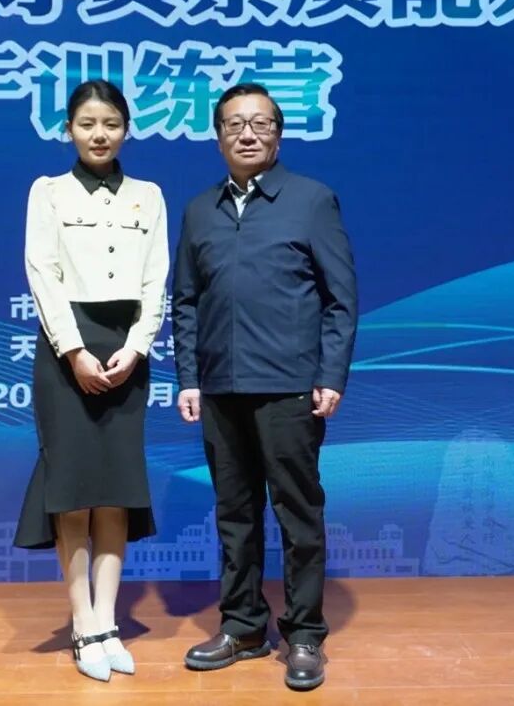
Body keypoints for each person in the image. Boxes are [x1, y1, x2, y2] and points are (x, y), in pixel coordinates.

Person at [172, 83, 357, 691]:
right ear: (218, 137)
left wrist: (330, 374)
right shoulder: (200, 210)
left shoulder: (311, 200)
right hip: (221, 387)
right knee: (234, 515)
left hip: (290, 387)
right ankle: (244, 626)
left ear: (278, 134)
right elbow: (186, 302)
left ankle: (304, 634)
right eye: (234, 124)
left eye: (260, 123)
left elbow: (340, 299)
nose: (247, 133)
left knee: (297, 514)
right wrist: (190, 378)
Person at [14, 79, 169, 682]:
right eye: (87, 124)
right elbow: (42, 272)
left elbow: (156, 280)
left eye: (110, 123)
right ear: (69, 131)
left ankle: (109, 620)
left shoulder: (148, 196)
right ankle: (82, 621)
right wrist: (74, 350)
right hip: (67, 350)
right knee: (74, 489)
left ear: (126, 129)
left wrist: (136, 348)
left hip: (127, 349)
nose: (99, 134)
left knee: (115, 488)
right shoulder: (48, 191)